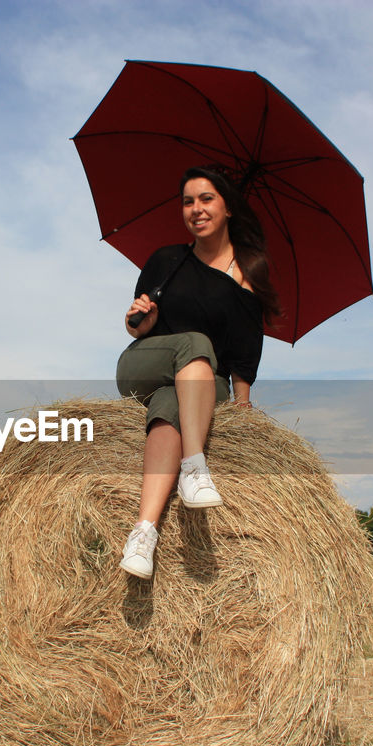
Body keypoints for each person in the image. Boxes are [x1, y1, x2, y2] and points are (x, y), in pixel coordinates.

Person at [115, 165, 280, 579]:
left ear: (227, 208)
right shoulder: (167, 260)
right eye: (188, 201)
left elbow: (245, 350)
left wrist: (242, 402)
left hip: (204, 387)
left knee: (170, 405)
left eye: (206, 199)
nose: (196, 209)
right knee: (195, 345)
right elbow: (137, 328)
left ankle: (144, 533)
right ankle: (194, 467)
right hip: (145, 364)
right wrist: (141, 317)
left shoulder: (249, 272)